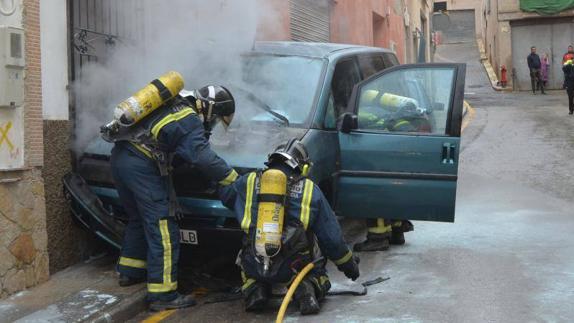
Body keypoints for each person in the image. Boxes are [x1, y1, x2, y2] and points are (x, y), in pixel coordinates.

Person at [104, 75, 238, 311]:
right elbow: (202, 157)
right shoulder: (188, 118)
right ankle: (163, 296)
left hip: (120, 159)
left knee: (137, 219)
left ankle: (129, 271)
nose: (213, 124)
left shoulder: (173, 104)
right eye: (215, 119)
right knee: (164, 227)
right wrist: (232, 178)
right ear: (209, 109)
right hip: (141, 166)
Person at [218, 139, 360, 315]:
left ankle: (255, 290)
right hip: (293, 266)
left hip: (254, 261)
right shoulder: (309, 190)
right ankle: (306, 288)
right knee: (316, 251)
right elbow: (331, 239)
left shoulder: (248, 181)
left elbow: (226, 195)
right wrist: (349, 266)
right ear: (302, 167)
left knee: (248, 258)